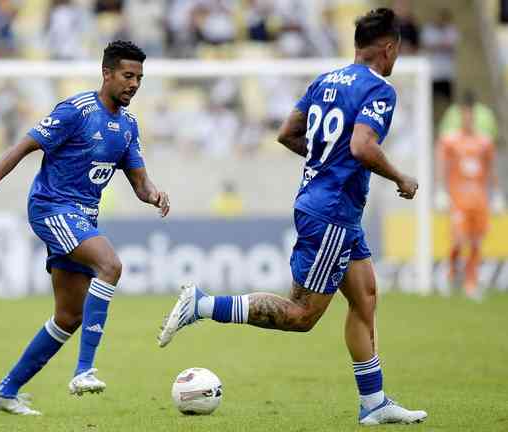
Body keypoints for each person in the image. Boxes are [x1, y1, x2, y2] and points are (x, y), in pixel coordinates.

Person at [158, 8, 427, 426]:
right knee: (301, 314)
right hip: (333, 210)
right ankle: (203, 304)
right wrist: (400, 176)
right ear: (389, 49)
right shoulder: (380, 89)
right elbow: (361, 147)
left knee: (365, 296)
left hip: (333, 207)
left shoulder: (325, 81)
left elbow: (286, 132)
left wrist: (321, 160)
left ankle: (374, 402)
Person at [0, 40, 170, 415]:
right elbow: (20, 149)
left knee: (68, 317)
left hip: (82, 218)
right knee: (111, 265)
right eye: (128, 75)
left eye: (139, 77)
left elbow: (140, 183)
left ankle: (4, 391)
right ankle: (85, 369)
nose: (134, 84)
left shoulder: (129, 126)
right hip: (51, 207)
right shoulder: (76, 111)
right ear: (107, 74)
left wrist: (155, 195)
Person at [437, 100, 497, 300]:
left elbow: (491, 169)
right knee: (459, 241)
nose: (468, 119)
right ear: (461, 117)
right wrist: (441, 191)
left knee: (476, 243)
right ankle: (449, 274)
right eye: (465, 116)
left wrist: (496, 195)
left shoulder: (485, 142)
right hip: (458, 199)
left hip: (479, 200)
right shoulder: (451, 141)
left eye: (471, 116)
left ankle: (471, 283)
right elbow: (443, 166)